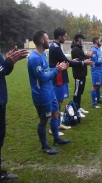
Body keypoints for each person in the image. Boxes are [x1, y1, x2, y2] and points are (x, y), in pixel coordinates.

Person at [28, 30, 71, 156]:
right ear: (42, 41)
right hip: (41, 94)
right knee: (43, 120)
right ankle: (44, 146)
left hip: (49, 91)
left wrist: (57, 68)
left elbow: (47, 71)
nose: (50, 40)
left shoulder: (42, 55)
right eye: (47, 39)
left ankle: (56, 139)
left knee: (56, 113)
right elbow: (42, 77)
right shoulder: (34, 58)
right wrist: (57, 71)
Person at [49, 27, 94, 133]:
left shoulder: (56, 46)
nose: (65, 38)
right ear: (60, 36)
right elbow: (64, 61)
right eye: (64, 36)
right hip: (58, 77)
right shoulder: (55, 47)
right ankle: (53, 128)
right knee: (57, 103)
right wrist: (83, 63)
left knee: (59, 101)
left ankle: (58, 123)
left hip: (61, 76)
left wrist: (70, 61)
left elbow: (64, 60)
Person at [0, 46, 28, 181]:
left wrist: (9, 63)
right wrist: (6, 63)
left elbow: (3, 71)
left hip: (1, 99)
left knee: (1, 135)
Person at [71, 33, 94, 117]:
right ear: (78, 39)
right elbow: (81, 60)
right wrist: (87, 58)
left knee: (80, 91)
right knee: (77, 92)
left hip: (82, 73)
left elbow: (84, 58)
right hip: (78, 73)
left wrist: (87, 56)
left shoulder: (79, 49)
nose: (83, 41)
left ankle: (78, 107)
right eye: (82, 39)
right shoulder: (75, 49)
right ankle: (75, 109)